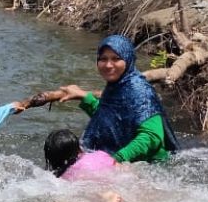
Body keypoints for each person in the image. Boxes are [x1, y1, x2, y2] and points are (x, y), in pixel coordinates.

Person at [57, 35, 180, 164]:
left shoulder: (140, 89)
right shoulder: (116, 86)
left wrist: (116, 159)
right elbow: (111, 119)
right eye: (103, 59)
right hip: (127, 163)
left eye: (116, 59)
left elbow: (151, 136)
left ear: (128, 59)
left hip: (152, 167)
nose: (108, 65)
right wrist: (84, 97)